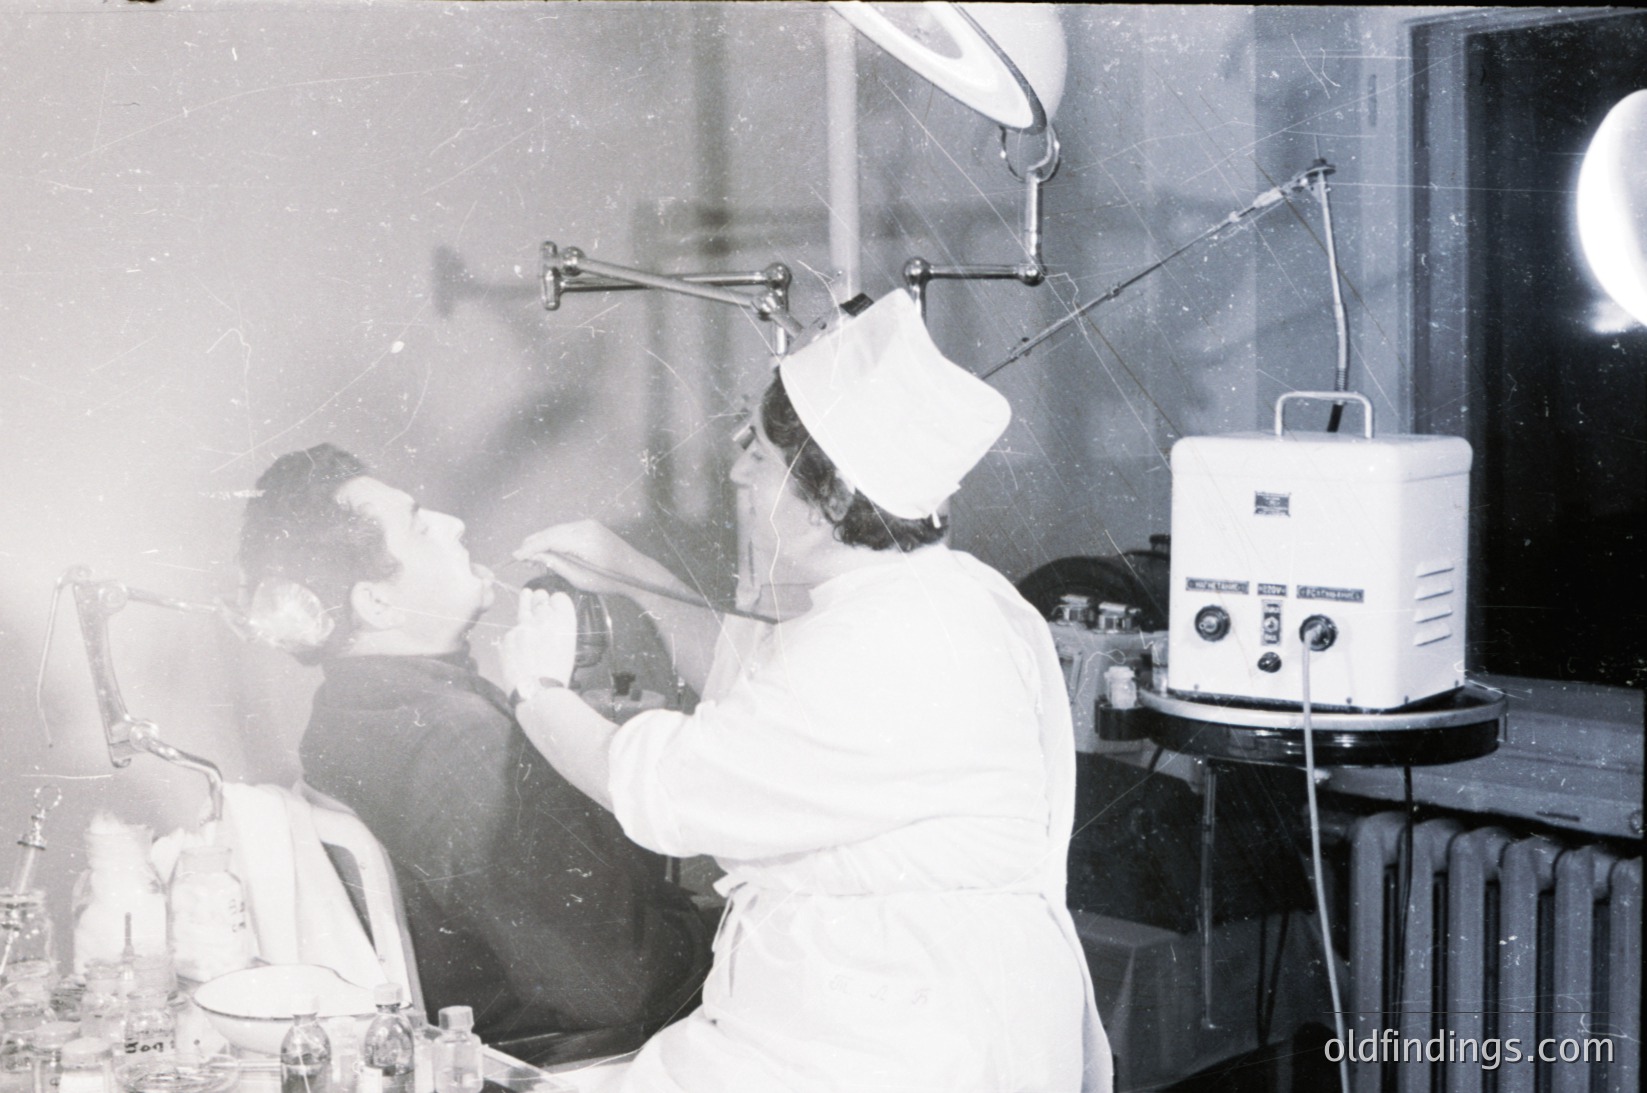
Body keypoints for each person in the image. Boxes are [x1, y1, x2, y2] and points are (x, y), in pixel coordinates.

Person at [500, 291, 1113, 1092]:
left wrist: (536, 685)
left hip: (901, 1029)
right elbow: (755, 681)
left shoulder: (892, 638)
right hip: (862, 1000)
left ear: (828, 495)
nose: (734, 473)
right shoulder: (920, 594)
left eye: (755, 454)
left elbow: (672, 788)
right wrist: (634, 574)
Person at [237, 444, 712, 1064]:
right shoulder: (455, 741)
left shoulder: (349, 713)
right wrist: (725, 928)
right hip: (568, 1053)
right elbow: (615, 986)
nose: (454, 525)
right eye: (420, 524)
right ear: (375, 604)